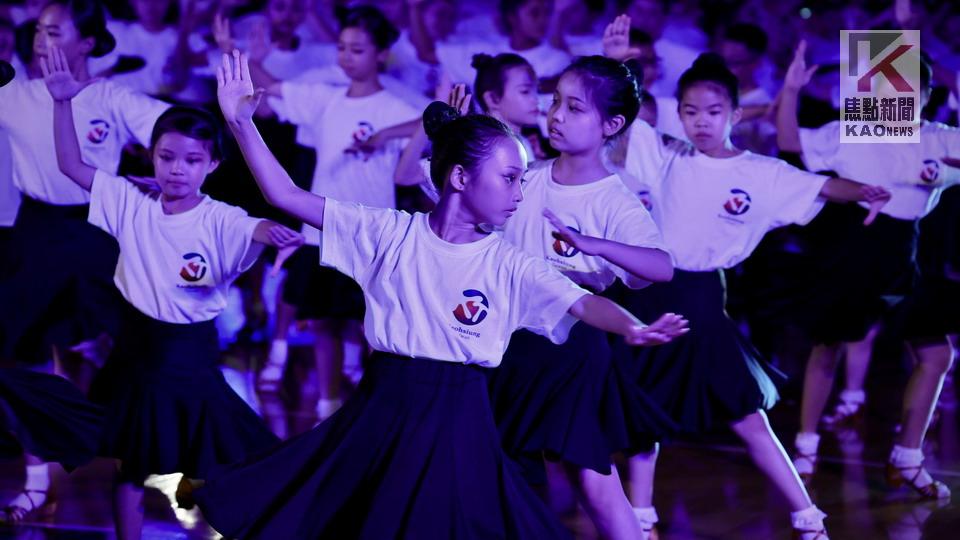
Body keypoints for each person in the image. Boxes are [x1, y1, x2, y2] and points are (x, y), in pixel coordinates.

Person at [179, 49, 687, 539]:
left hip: (462, 418)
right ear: (462, 177)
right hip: (382, 411)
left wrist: (632, 326)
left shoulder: (509, 261)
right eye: (510, 178)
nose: (519, 192)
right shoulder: (388, 232)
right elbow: (285, 195)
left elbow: (582, 302)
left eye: (519, 178)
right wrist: (242, 124)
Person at [619, 53, 893, 540]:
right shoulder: (664, 154)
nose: (700, 121)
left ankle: (808, 517)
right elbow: (623, 111)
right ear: (677, 113)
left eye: (712, 111)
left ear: (735, 115)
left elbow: (824, 185)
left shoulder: (762, 173)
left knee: (747, 416)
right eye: (689, 111)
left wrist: (867, 191)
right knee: (643, 412)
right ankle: (641, 519)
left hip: (702, 299)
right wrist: (621, 63)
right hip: (650, 295)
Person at [41, 46, 302, 540]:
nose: (176, 169)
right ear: (151, 156)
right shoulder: (130, 200)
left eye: (191, 160)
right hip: (138, 352)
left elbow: (257, 227)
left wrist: (279, 234)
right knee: (132, 462)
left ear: (212, 165)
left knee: (209, 458)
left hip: (190, 356)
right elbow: (72, 165)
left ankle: (217, 529)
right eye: (166, 157)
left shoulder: (220, 217)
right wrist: (61, 103)